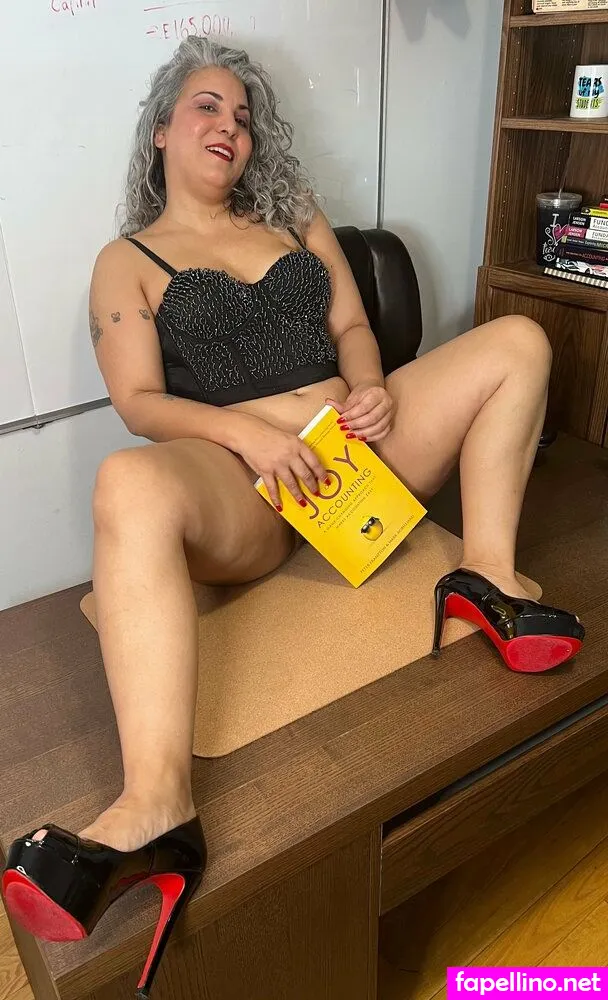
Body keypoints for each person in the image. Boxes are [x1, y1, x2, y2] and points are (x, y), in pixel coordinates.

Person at [1, 36, 584, 999]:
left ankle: (485, 573)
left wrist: (371, 387)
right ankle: (157, 804)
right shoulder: (125, 261)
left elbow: (353, 325)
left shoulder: (294, 217)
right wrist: (253, 435)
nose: (228, 126)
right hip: (244, 481)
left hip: (354, 451)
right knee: (127, 482)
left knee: (520, 339)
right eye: (205, 107)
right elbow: (141, 403)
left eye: (241, 115)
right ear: (160, 131)